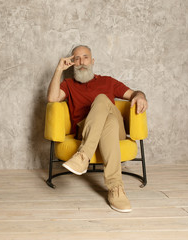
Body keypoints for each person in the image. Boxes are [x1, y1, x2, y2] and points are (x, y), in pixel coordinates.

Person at [47, 45, 148, 213]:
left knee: (102, 99)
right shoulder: (69, 84)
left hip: (118, 132)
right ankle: (116, 189)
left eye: (85, 57)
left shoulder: (107, 81)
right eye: (76, 58)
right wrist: (58, 69)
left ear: (92, 61)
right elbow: (52, 98)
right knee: (109, 122)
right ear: (72, 63)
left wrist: (140, 96)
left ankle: (83, 156)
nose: (81, 62)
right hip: (86, 129)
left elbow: (134, 93)